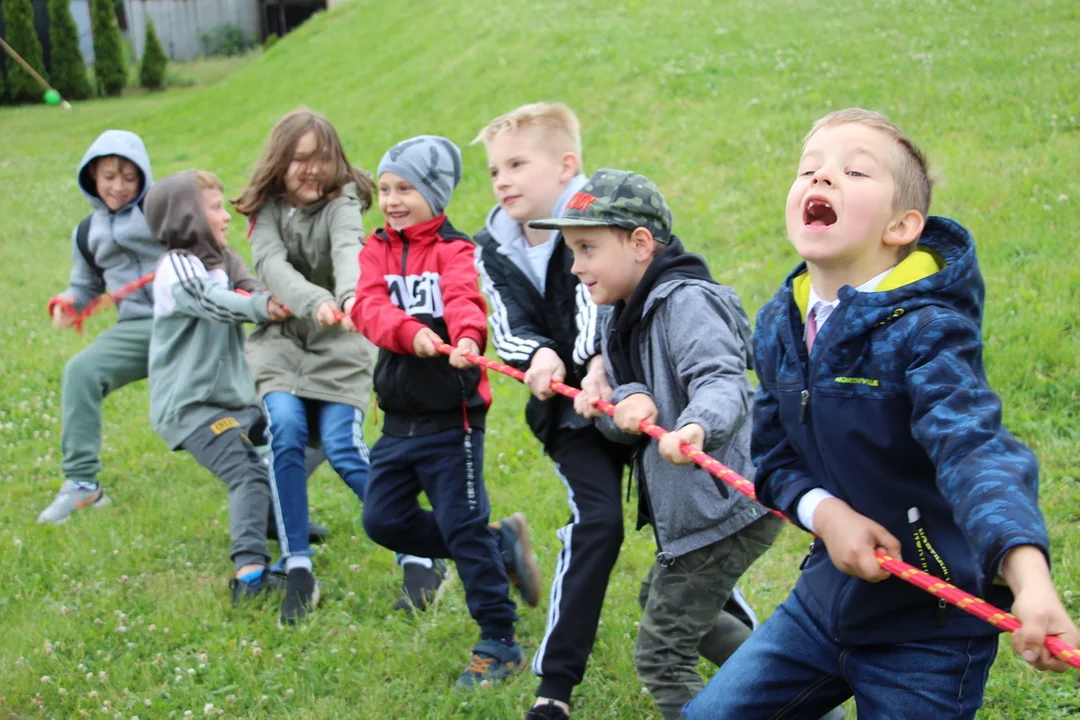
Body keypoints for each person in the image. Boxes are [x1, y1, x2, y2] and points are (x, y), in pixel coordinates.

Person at [685, 108, 1080, 719]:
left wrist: (1028, 578)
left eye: (853, 172)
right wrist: (827, 513)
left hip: (928, 633)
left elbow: (974, 450)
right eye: (808, 170)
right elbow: (773, 459)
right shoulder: (779, 324)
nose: (821, 180)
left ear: (902, 225)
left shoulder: (927, 332)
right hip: (821, 606)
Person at [532, 168, 785, 720]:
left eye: (587, 248)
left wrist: (695, 426)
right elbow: (635, 403)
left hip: (727, 504)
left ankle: (783, 690)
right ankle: (793, 693)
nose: (575, 267)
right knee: (664, 607)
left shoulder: (686, 302)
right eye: (572, 251)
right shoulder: (619, 315)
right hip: (697, 512)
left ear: (640, 244)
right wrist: (616, 409)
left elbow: (722, 382)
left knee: (662, 656)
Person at [233, 108, 435, 625]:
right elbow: (270, 266)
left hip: (341, 340)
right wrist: (315, 300)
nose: (312, 170)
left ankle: (418, 555)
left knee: (344, 447)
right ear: (280, 162)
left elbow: (349, 249)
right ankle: (297, 566)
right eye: (300, 160)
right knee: (286, 429)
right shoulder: (265, 207)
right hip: (282, 341)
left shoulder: (343, 198)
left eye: (321, 158)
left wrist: (349, 298)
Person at [145, 169, 288, 605]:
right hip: (191, 407)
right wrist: (259, 306)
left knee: (294, 433)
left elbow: (254, 289)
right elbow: (215, 302)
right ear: (187, 216)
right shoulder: (177, 267)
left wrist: (292, 301)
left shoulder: (224, 260)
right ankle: (250, 576)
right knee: (244, 469)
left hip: (232, 400)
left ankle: (269, 517)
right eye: (214, 208)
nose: (225, 217)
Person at [39, 130, 159, 524]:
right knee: (80, 371)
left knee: (222, 390)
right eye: (109, 176)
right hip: (136, 330)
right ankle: (82, 486)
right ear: (92, 175)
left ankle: (264, 454)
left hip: (186, 321)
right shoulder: (86, 232)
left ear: (143, 176)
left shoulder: (161, 211)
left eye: (129, 176)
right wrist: (68, 303)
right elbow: (85, 286)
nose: (119, 186)